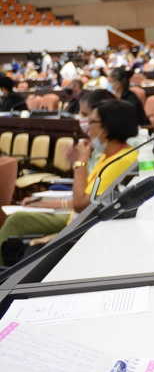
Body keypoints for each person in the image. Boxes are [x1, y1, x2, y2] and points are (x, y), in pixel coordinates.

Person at [0, 99, 139, 264]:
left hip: (79, 229)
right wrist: (44, 203)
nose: (87, 127)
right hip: (74, 219)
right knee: (18, 219)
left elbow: (82, 204)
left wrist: (80, 162)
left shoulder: (121, 160)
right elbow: (85, 196)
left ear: (106, 128)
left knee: (17, 224)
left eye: (91, 122)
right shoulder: (107, 156)